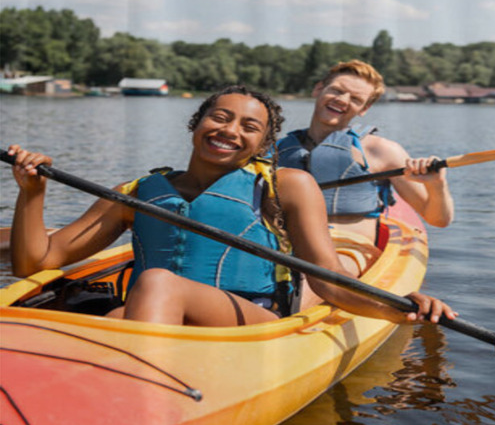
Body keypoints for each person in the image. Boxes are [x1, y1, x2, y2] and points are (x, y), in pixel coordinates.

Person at [8, 85, 456, 329]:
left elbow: (332, 282)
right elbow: (36, 262)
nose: (229, 130)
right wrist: (32, 193)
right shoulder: (138, 190)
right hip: (153, 317)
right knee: (122, 311)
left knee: (157, 284)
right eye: (219, 117)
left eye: (249, 126)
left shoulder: (288, 184)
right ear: (196, 123)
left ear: (264, 143)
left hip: (250, 320)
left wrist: (400, 305)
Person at [278, 60, 455, 251]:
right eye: (337, 90)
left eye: (355, 99)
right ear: (318, 89)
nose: (342, 100)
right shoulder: (279, 149)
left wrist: (436, 185)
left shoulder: (382, 151)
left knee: (305, 280)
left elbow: (438, 220)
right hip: (285, 244)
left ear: (364, 109)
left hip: (346, 247)